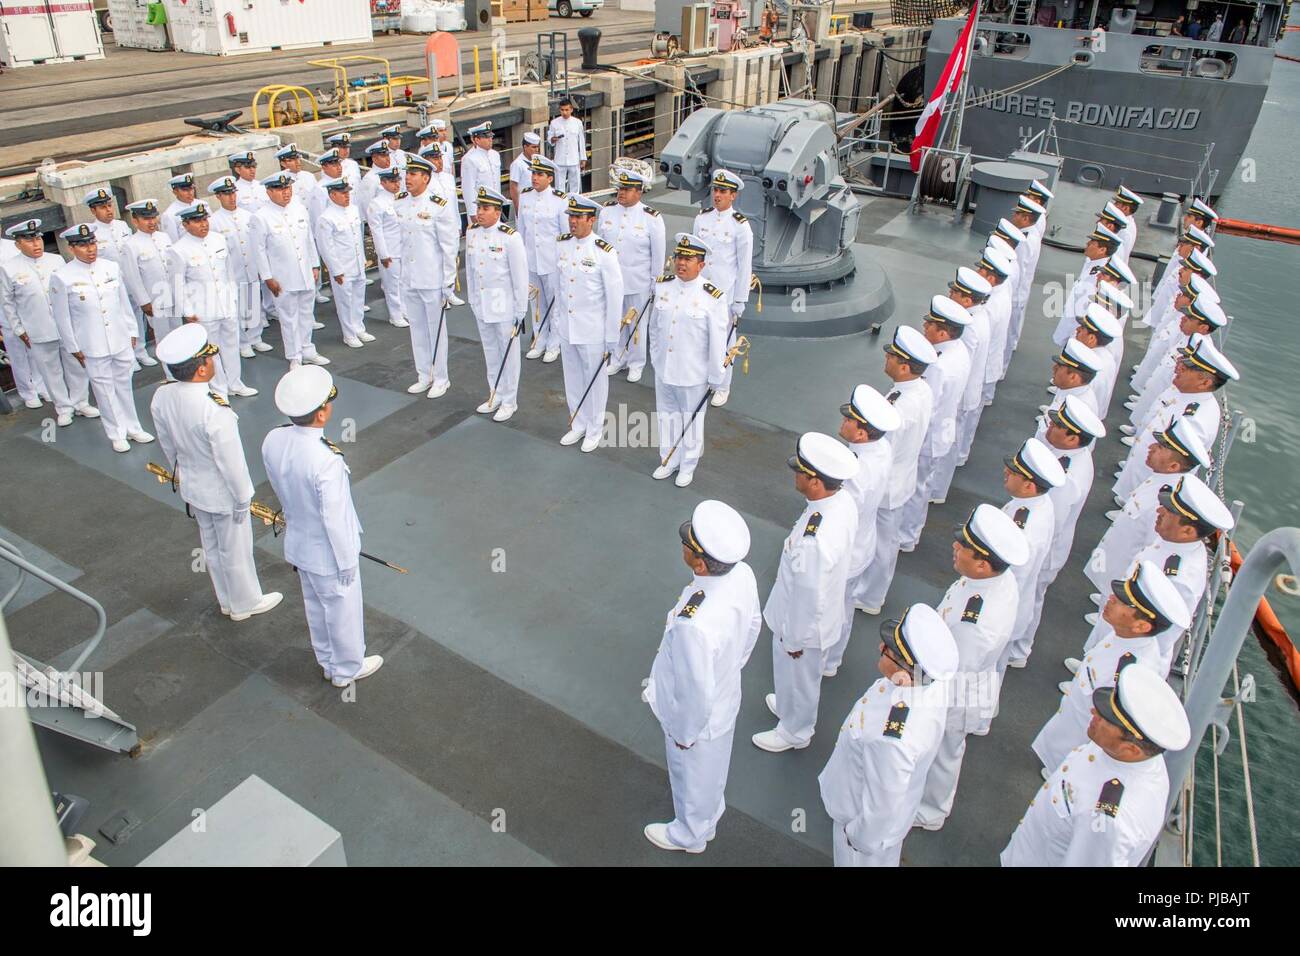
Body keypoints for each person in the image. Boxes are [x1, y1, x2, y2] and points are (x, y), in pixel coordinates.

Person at [642, 500, 762, 854]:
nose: (683, 545)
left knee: (688, 769)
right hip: (726, 694)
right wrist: (730, 666)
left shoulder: (695, 625)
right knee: (713, 767)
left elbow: (695, 692)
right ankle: (708, 816)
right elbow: (753, 625)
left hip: (696, 715)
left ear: (698, 560)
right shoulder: (741, 574)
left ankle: (690, 834)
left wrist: (683, 732)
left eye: (688, 544)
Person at [151, 324, 283, 622]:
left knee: (211, 546)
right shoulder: (214, 409)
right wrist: (242, 499)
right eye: (209, 358)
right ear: (200, 369)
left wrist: (183, 472)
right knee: (236, 549)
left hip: (193, 486)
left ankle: (226, 599)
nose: (213, 362)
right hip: (222, 492)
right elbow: (231, 463)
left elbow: (168, 445)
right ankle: (245, 603)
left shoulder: (162, 396)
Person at [263, 366, 383, 688]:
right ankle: (346, 669)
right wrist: (346, 562)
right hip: (329, 553)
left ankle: (327, 660)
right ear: (321, 414)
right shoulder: (325, 460)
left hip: (300, 544)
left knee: (316, 607)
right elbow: (335, 519)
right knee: (342, 611)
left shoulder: (274, 439)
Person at [1002, 662, 1190, 866]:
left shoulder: (1110, 821)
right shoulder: (1129, 752)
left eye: (1105, 719)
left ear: (1132, 749)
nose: (1094, 712)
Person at [914, 504, 1028, 829]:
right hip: (973, 679)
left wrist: (921, 691)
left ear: (982, 563)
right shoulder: (991, 581)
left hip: (956, 691)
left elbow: (954, 668)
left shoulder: (975, 622)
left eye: (963, 546)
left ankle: (932, 810)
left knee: (943, 751)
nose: (955, 546)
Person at [818, 604, 958, 866]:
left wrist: (857, 838)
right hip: (892, 817)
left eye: (888, 651)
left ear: (906, 672)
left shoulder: (892, 738)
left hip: (860, 827)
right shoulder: (925, 686)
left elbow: (882, 806)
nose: (880, 649)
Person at [753, 432, 860, 753]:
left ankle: (795, 732)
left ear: (815, 481)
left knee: (799, 676)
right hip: (815, 617)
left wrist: (795, 639)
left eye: (800, 472)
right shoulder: (839, 500)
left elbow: (809, 592)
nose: (795, 476)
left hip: (801, 625)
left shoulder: (816, 539)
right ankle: (788, 706)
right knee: (793, 680)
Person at [1036, 561, 1190, 771]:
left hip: (1079, 744)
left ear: (1141, 625)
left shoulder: (1130, 670)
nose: (1111, 598)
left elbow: (1109, 728)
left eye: (1122, 602)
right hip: (1072, 723)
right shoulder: (1127, 636)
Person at [1075, 474, 1234, 675]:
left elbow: (1162, 634)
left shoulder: (1179, 577)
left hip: (1126, 659)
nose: (1159, 510)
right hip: (1121, 632)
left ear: (1187, 531)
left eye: (1170, 511)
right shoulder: (1173, 542)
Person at [49, 223, 154, 453]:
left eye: (92, 243)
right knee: (104, 391)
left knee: (124, 385)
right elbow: (62, 317)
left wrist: (132, 331)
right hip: (91, 344)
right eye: (83, 245)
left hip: (120, 339)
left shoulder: (110, 267)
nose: (90, 249)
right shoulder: (62, 277)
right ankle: (116, 433)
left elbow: (123, 304)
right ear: (71, 248)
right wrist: (73, 346)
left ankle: (133, 427)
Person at [857, 327, 937, 613]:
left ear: (904, 366)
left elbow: (883, 450)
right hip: (903, 476)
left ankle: (870, 596)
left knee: (881, 543)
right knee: (886, 539)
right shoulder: (920, 389)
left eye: (891, 355)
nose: (886, 358)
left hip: (889, 483)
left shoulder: (900, 407)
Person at [825, 384, 901, 678]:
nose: (843, 422)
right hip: (863, 541)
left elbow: (841, 514)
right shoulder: (879, 448)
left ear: (861, 432)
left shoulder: (855, 469)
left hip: (847, 547)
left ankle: (826, 661)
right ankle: (832, 659)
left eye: (849, 419)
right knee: (842, 603)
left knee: (833, 607)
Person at [1087, 417, 1210, 591]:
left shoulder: (1166, 500)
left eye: (1160, 447)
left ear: (1174, 466)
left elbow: (1153, 542)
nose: (1151, 447)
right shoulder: (1160, 481)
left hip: (1126, 578)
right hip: (1117, 567)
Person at [649, 233, 730, 487]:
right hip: (664, 368)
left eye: (688, 258)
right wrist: (655, 358)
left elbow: (718, 342)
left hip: (693, 373)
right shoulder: (663, 286)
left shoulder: (713, 297)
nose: (681, 263)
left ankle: (688, 465)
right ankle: (668, 458)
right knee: (666, 416)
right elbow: (654, 328)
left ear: (702, 264)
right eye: (678, 257)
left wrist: (716, 378)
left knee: (692, 421)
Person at [1113, 337, 1237, 499]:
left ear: (1205, 382)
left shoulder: (1195, 420)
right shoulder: (1187, 393)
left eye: (1187, 368)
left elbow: (1173, 462)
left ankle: (1129, 498)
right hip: (1144, 466)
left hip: (1152, 481)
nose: (1179, 366)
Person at [0, 218, 95, 427]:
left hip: (65, 326)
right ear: (17, 244)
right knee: (50, 371)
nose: (36, 244)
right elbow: (8, 303)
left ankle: (81, 402)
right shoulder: (9, 269)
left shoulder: (56, 261)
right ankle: (63, 407)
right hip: (37, 328)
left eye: (38, 239)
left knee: (75, 366)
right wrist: (19, 329)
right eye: (29, 240)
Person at [899, 295, 972, 550]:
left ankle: (907, 536)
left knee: (916, 487)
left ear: (942, 332)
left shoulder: (937, 366)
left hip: (929, 436)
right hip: (944, 428)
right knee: (924, 483)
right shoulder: (959, 350)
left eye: (930, 324)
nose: (925, 326)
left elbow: (929, 407)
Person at [553, 194, 623, 452]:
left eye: (578, 217)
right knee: (572, 377)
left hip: (593, 328)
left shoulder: (604, 252)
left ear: (591, 220)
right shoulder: (562, 245)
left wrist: (611, 337)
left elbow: (614, 297)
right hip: (568, 327)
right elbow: (560, 289)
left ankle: (595, 428)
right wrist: (558, 321)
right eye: (570, 217)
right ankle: (578, 422)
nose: (572, 222)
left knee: (594, 380)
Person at [168, 200, 255, 398]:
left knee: (232, 346)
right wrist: (188, 311)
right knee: (211, 352)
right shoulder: (178, 250)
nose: (203, 224)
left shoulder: (218, 239)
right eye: (197, 221)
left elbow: (229, 272)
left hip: (226, 305)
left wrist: (233, 297)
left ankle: (235, 383)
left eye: (205, 219)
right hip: (203, 310)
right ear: (186, 224)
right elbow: (177, 285)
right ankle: (219, 389)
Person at [998, 438, 1067, 671]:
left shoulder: (1025, 527)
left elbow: (1012, 577)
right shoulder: (1034, 504)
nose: (1006, 471)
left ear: (1029, 485)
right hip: (1013, 606)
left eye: (1014, 472)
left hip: (1003, 614)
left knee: (984, 676)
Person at [395, 154, 460, 398]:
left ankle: (441, 377)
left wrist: (447, 283)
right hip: (410, 277)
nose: (407, 178)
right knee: (417, 329)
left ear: (425, 177)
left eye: (413, 174)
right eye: (407, 174)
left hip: (432, 279)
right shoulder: (400, 203)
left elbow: (448, 246)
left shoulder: (438, 207)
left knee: (436, 330)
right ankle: (424, 374)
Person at [465, 187, 529, 423]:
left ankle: (510, 400)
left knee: (508, 355)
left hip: (504, 306)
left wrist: (520, 311)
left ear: (497, 211)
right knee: (490, 352)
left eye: (485, 208)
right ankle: (495, 393)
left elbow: (520, 277)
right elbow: (471, 272)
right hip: (482, 304)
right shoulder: (472, 234)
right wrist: (472, 299)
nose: (479, 213)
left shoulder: (510, 237)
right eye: (479, 207)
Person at [250, 172, 326, 370]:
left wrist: (314, 265)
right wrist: (268, 278)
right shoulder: (261, 217)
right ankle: (295, 356)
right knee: (288, 317)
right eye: (281, 189)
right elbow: (258, 251)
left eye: (288, 188)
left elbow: (308, 239)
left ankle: (308, 348)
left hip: (305, 272)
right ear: (269, 191)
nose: (286, 193)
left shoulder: (299, 208)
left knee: (306, 313)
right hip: (282, 276)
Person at [599, 168, 666, 383]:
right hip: (612, 280)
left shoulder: (651, 218)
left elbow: (658, 254)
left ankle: (636, 363)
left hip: (638, 280)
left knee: (637, 323)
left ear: (639, 192)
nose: (621, 193)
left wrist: (656, 282)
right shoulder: (607, 211)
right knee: (615, 320)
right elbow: (600, 246)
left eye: (627, 189)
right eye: (620, 188)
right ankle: (618, 358)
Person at [693, 169, 753, 408]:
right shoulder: (702, 219)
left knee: (725, 341)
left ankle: (722, 385)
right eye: (715, 190)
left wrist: (740, 300)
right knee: (700, 337)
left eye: (723, 191)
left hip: (724, 294)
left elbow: (744, 266)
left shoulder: (740, 226)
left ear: (733, 196)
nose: (717, 195)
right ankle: (705, 379)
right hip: (701, 292)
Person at [85, 188, 154, 368]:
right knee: (120, 318)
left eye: (109, 205)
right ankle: (128, 356)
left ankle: (141, 350)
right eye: (102, 207)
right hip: (111, 284)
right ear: (93, 210)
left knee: (137, 315)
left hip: (129, 278)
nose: (108, 210)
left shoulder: (122, 226)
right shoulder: (93, 233)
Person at [208, 176, 272, 359]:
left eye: (233, 193)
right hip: (231, 271)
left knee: (252, 303)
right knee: (236, 308)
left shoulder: (248, 216)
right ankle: (243, 342)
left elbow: (257, 244)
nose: (231, 198)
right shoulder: (214, 221)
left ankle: (255, 337)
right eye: (226, 194)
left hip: (250, 267)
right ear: (218, 197)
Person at [516, 155, 568, 363]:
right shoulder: (525, 197)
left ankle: (555, 343)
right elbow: (521, 230)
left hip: (552, 261)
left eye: (539, 174)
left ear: (550, 178)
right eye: (533, 174)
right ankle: (539, 339)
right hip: (531, 260)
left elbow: (566, 236)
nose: (534, 178)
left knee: (555, 304)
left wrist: (563, 263)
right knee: (536, 303)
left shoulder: (560, 201)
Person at [120, 199, 178, 374]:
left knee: (178, 332)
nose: (152, 222)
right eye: (146, 219)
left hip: (173, 294)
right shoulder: (131, 245)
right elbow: (132, 277)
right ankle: (170, 373)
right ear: (135, 221)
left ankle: (181, 367)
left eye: (153, 217)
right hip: (155, 299)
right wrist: (144, 302)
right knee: (163, 337)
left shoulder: (164, 237)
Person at [314, 177, 372, 350]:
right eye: (342, 193)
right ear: (332, 195)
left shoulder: (353, 210)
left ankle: (358, 327)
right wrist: (336, 270)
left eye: (348, 192)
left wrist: (362, 260)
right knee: (345, 302)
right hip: (342, 267)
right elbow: (326, 247)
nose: (347, 196)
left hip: (356, 263)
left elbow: (357, 239)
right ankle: (349, 334)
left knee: (358, 298)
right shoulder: (326, 218)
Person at [1053, 225, 1119, 346]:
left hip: (1077, 333)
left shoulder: (1098, 276)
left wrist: (1071, 337)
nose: (1087, 243)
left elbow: (1081, 310)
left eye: (1092, 242)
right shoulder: (1092, 263)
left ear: (1102, 250)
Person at [365, 166, 409, 329]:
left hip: (403, 248)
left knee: (404, 282)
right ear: (383, 183)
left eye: (398, 181)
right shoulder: (377, 204)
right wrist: (383, 254)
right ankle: (395, 314)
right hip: (390, 250)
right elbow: (377, 232)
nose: (396, 184)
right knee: (392, 285)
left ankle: (404, 310)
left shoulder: (402, 199)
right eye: (392, 181)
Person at [461, 121, 502, 223]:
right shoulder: (469, 159)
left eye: (491, 136)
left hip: (495, 205)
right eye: (486, 137)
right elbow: (468, 188)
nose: (490, 139)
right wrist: (472, 213)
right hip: (481, 209)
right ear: (476, 139)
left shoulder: (495, 155)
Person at [547, 99, 587, 195]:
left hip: (574, 159)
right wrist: (553, 139)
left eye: (566, 110)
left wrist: (583, 158)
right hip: (560, 159)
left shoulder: (577, 123)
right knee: (559, 187)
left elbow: (581, 141)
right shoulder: (554, 123)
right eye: (562, 110)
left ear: (571, 109)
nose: (564, 112)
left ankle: (574, 203)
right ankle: (560, 206)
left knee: (575, 185)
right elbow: (549, 138)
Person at [357, 141, 398, 219]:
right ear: (374, 158)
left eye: (387, 155)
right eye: (383, 156)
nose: (387, 159)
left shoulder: (391, 173)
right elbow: (367, 205)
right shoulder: (370, 179)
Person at [509, 131, 542, 211]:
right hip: (524, 204)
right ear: (525, 147)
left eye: (537, 147)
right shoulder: (517, 164)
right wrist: (517, 208)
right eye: (533, 147)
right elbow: (513, 187)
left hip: (537, 202)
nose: (537, 150)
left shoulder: (538, 161)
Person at [161, 173, 198, 242]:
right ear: (175, 192)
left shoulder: (203, 204)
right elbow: (173, 241)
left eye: (191, 188)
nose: (190, 193)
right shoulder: (169, 214)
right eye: (185, 190)